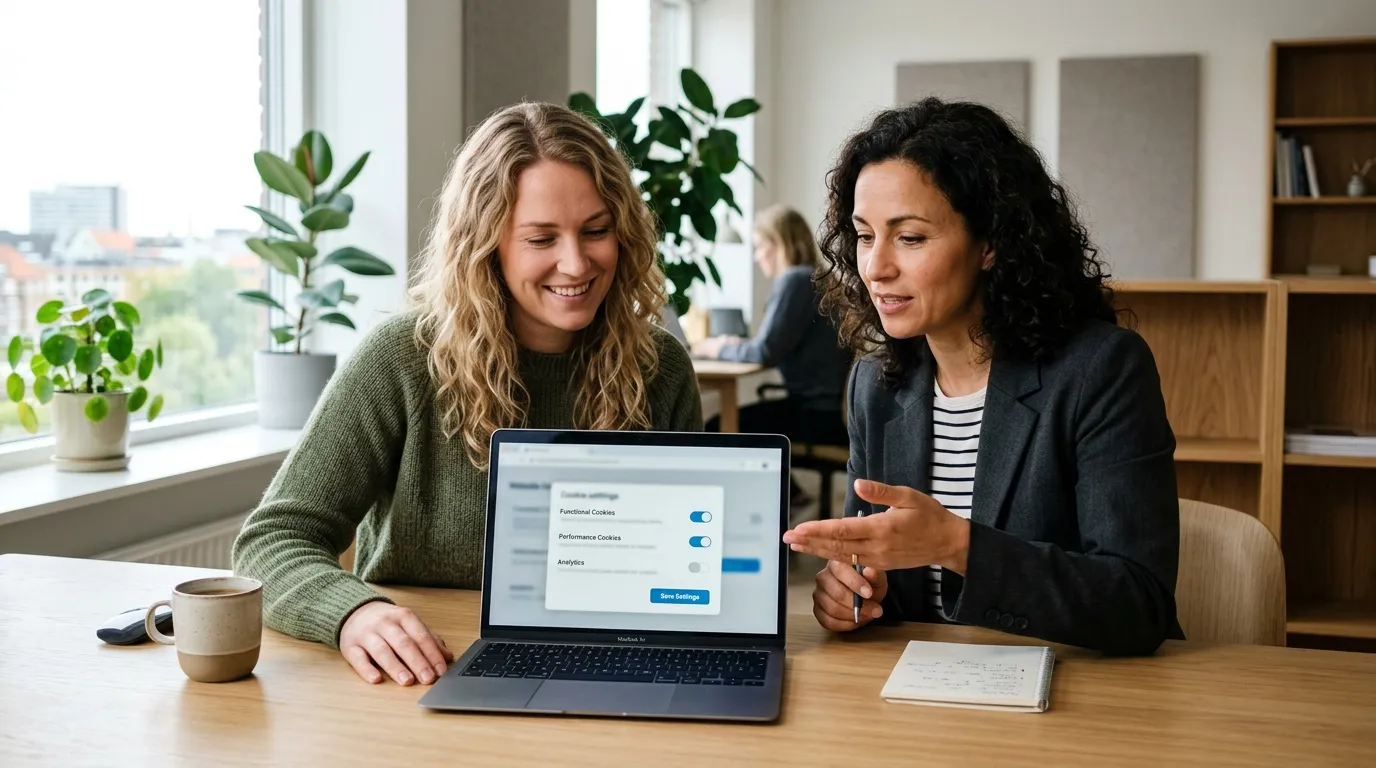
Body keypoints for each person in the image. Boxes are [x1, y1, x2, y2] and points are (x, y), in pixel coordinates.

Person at [232, 102, 703, 686]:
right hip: (428, 675)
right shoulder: (402, 357)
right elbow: (272, 538)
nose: (577, 262)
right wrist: (354, 613)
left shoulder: (662, 368)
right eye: (541, 238)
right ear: (486, 244)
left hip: (616, 672)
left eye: (596, 231)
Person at [781, 97, 1183, 656]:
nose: (875, 267)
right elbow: (880, 582)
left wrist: (957, 544)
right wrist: (847, 593)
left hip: (1081, 705)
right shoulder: (875, 386)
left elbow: (1138, 606)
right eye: (865, 235)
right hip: (925, 703)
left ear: (991, 243)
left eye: (911, 237)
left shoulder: (1102, 371)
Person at [693, 205, 851, 449]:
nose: (756, 257)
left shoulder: (796, 280)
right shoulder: (817, 278)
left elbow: (765, 352)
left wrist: (717, 348)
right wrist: (740, 346)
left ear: (779, 244)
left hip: (812, 414)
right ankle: (793, 489)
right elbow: (770, 346)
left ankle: (787, 489)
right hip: (824, 410)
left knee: (716, 428)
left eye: (759, 247)